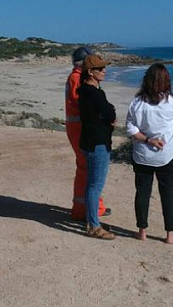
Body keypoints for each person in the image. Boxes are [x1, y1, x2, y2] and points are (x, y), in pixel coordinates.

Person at [125, 63, 173, 244]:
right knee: (168, 193)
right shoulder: (172, 101)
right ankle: (170, 234)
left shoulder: (137, 102)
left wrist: (147, 139)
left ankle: (142, 231)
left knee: (142, 192)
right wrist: (154, 139)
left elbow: (130, 128)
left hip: (143, 154)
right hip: (167, 152)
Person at [65, 47, 108, 222]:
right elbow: (84, 103)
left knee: (86, 168)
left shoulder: (75, 77)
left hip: (76, 126)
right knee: (88, 169)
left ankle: (87, 207)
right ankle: (88, 209)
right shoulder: (77, 78)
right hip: (79, 128)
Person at [77, 53, 117, 240]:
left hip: (89, 141)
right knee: (95, 185)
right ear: (90, 72)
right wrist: (109, 117)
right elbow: (109, 112)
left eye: (104, 68)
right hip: (97, 143)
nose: (104, 71)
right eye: (100, 69)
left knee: (92, 184)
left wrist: (107, 115)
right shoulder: (94, 92)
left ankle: (91, 219)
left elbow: (106, 112)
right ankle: (93, 225)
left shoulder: (84, 90)